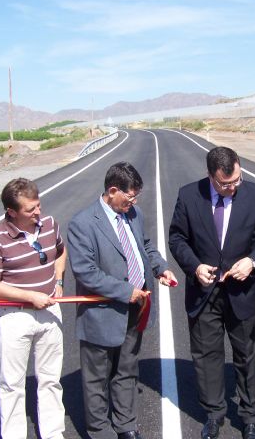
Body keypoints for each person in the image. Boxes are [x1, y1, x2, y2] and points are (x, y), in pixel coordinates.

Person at [169, 146, 255, 439]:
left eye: (237, 180)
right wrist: (194, 267)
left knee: (245, 354)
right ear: (210, 175)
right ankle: (214, 413)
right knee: (207, 355)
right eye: (225, 183)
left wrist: (252, 261)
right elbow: (177, 238)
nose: (233, 187)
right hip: (204, 292)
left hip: (242, 292)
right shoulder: (188, 196)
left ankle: (250, 417)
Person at [68, 162, 177, 439]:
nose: (133, 203)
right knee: (97, 378)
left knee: (127, 370)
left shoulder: (133, 214)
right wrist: (126, 291)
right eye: (129, 197)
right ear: (113, 190)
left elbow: (145, 246)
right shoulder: (83, 223)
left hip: (135, 309)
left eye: (136, 197)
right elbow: (86, 272)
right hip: (102, 313)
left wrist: (160, 268)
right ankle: (100, 431)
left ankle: (125, 424)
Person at [0, 178, 66, 439]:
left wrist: (58, 280)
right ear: (11, 211)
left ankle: (53, 433)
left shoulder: (49, 224)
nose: (38, 212)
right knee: (12, 383)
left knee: (51, 378)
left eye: (38, 205)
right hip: (15, 317)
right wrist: (30, 297)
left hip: (50, 311)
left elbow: (60, 251)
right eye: (30, 209)